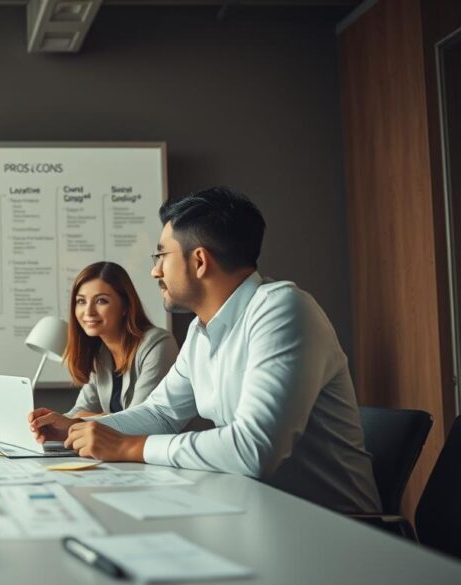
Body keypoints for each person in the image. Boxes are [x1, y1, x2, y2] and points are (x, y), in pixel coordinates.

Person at [30, 187, 381, 514]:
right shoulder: (202, 330)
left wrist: (128, 446)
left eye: (161, 255)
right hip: (259, 510)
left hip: (335, 527)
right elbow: (162, 414)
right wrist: (73, 428)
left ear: (199, 261)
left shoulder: (283, 310)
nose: (154, 271)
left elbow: (253, 449)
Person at [61, 261, 177, 417]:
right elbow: (80, 409)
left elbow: (139, 419)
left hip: (163, 441)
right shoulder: (101, 354)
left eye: (101, 301)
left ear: (125, 306)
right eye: (81, 301)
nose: (88, 312)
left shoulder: (158, 344)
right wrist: (48, 423)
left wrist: (84, 419)